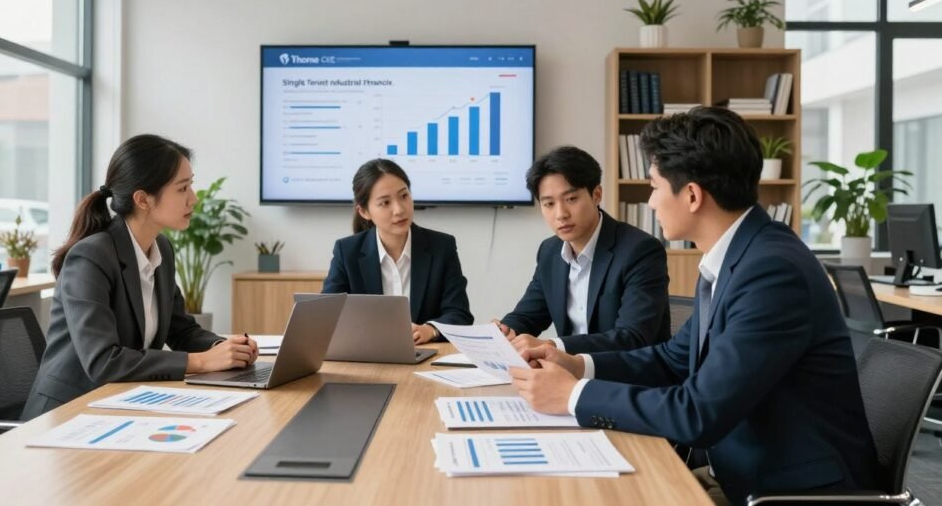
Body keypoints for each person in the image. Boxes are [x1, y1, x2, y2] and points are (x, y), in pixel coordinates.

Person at [509, 108, 880, 506]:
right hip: (738, 470)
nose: (650, 202)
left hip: (787, 492)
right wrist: (577, 364)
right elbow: (674, 359)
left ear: (691, 195)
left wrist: (573, 396)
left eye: (653, 187)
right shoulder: (739, 257)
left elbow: (697, 413)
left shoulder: (772, 272)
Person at [22, 135, 257, 419]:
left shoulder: (161, 250)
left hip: (120, 403)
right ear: (143, 199)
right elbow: (103, 362)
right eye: (183, 188)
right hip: (68, 412)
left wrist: (225, 348)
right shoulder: (91, 257)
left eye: (190, 185)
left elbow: (181, 330)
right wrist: (202, 362)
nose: (193, 199)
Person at [497, 146, 670, 354]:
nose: (560, 214)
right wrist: (504, 331)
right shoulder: (550, 251)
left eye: (571, 199)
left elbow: (633, 337)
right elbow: (528, 316)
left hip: (625, 378)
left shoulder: (640, 250)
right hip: (568, 374)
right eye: (549, 204)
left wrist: (553, 346)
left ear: (596, 195)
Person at [323, 159, 473, 343]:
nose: (399, 209)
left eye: (404, 196)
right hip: (366, 355)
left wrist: (430, 329)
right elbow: (327, 316)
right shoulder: (347, 252)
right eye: (385, 203)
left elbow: (460, 314)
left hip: (425, 356)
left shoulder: (442, 246)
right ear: (364, 212)